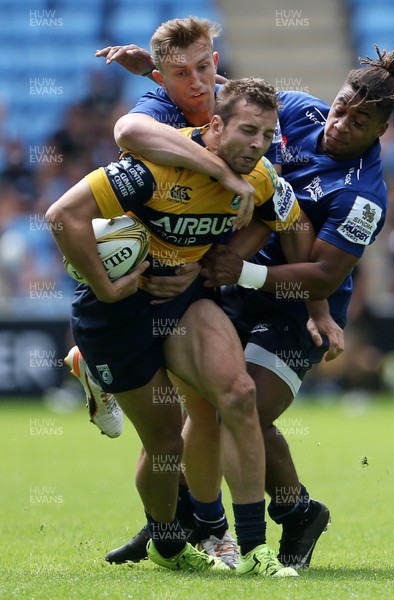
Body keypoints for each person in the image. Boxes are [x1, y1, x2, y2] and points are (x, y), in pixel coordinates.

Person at [94, 41, 394, 569]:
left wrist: (243, 271)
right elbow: (226, 102)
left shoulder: (363, 197)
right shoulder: (299, 110)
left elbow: (324, 272)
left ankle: (294, 513)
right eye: (341, 107)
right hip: (234, 286)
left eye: (359, 122)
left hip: (296, 308)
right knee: (197, 410)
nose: (339, 124)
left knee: (237, 411)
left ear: (380, 132)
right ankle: (171, 525)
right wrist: (158, 77)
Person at [47, 76, 306, 577]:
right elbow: (62, 216)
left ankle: (254, 551)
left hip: (185, 303)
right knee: (165, 445)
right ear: (214, 125)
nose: (258, 144)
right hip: (116, 313)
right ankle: (166, 543)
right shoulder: (154, 169)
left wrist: (222, 258)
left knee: (237, 394)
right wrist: (106, 285)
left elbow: (281, 221)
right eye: (248, 131)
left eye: (268, 135)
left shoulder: (261, 177)